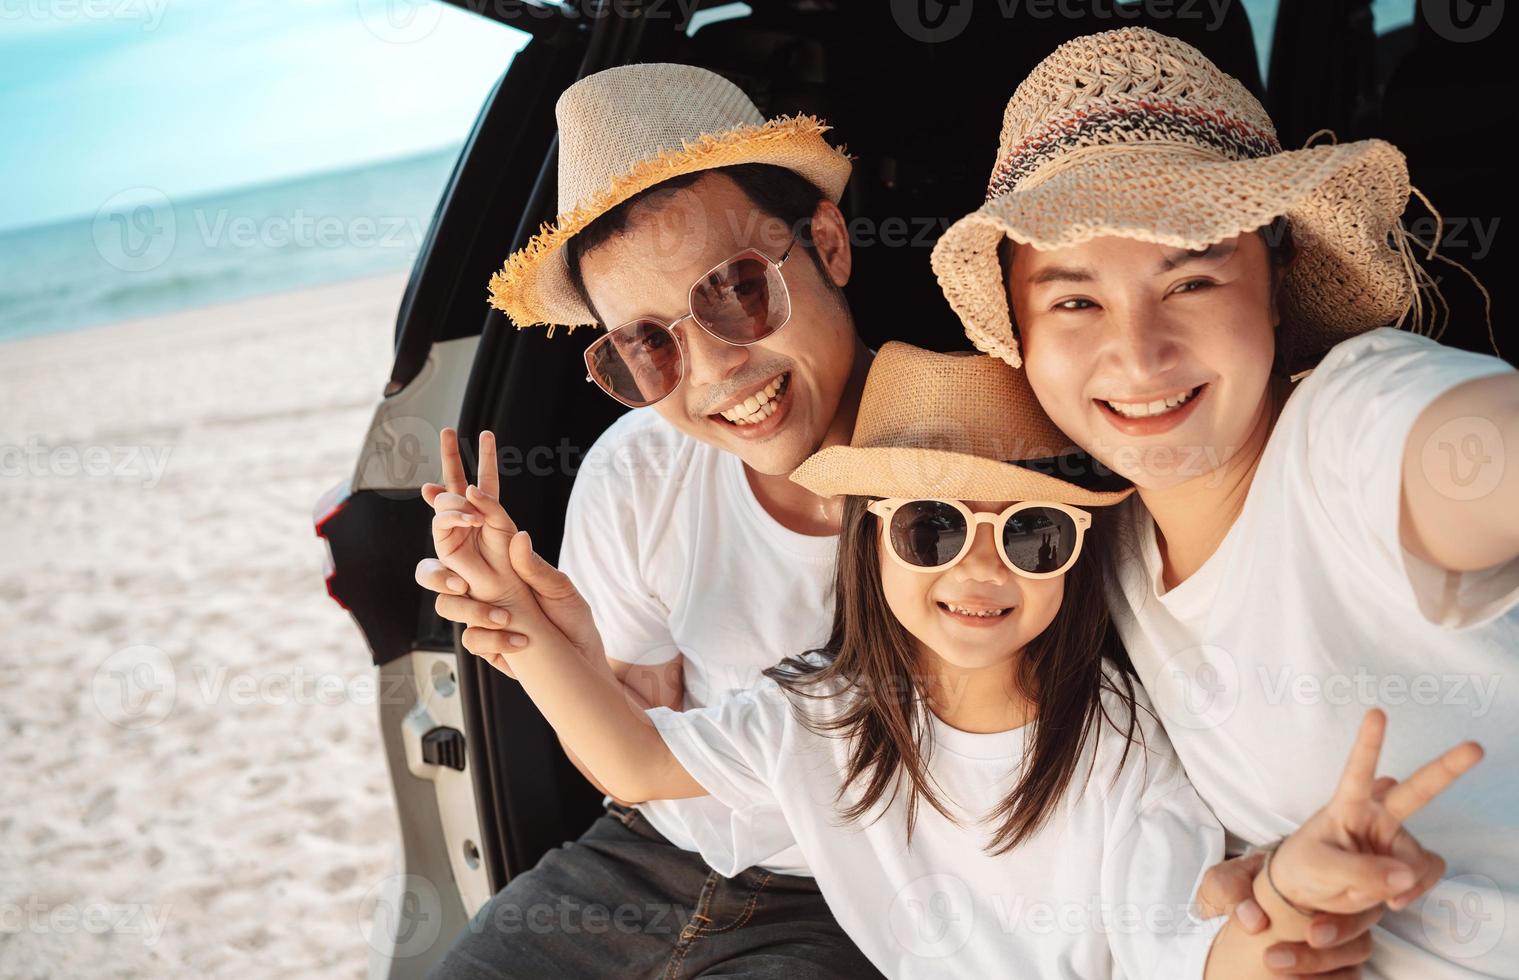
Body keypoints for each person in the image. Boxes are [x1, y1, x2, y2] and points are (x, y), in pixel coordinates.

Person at [422, 342, 1480, 978]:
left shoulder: (1112, 741)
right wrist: (521, 632)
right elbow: (637, 763)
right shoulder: (826, 711)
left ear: (1075, 556)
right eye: (932, 527)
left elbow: (1180, 944)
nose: (980, 569)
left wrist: (1287, 898)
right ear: (867, 535)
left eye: (1030, 533)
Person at [931, 26, 1518, 977]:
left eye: (1192, 280)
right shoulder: (1095, 548)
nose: (1139, 354)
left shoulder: (1353, 422)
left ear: (1274, 287)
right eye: (1075, 303)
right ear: (1022, 335)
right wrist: (1274, 886)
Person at [415, 63, 879, 977]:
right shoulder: (638, 467)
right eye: (647, 341)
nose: (711, 371)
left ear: (827, 243)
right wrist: (573, 659)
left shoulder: (959, 474)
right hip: (643, 856)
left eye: (738, 290)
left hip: (856, 888)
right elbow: (632, 743)